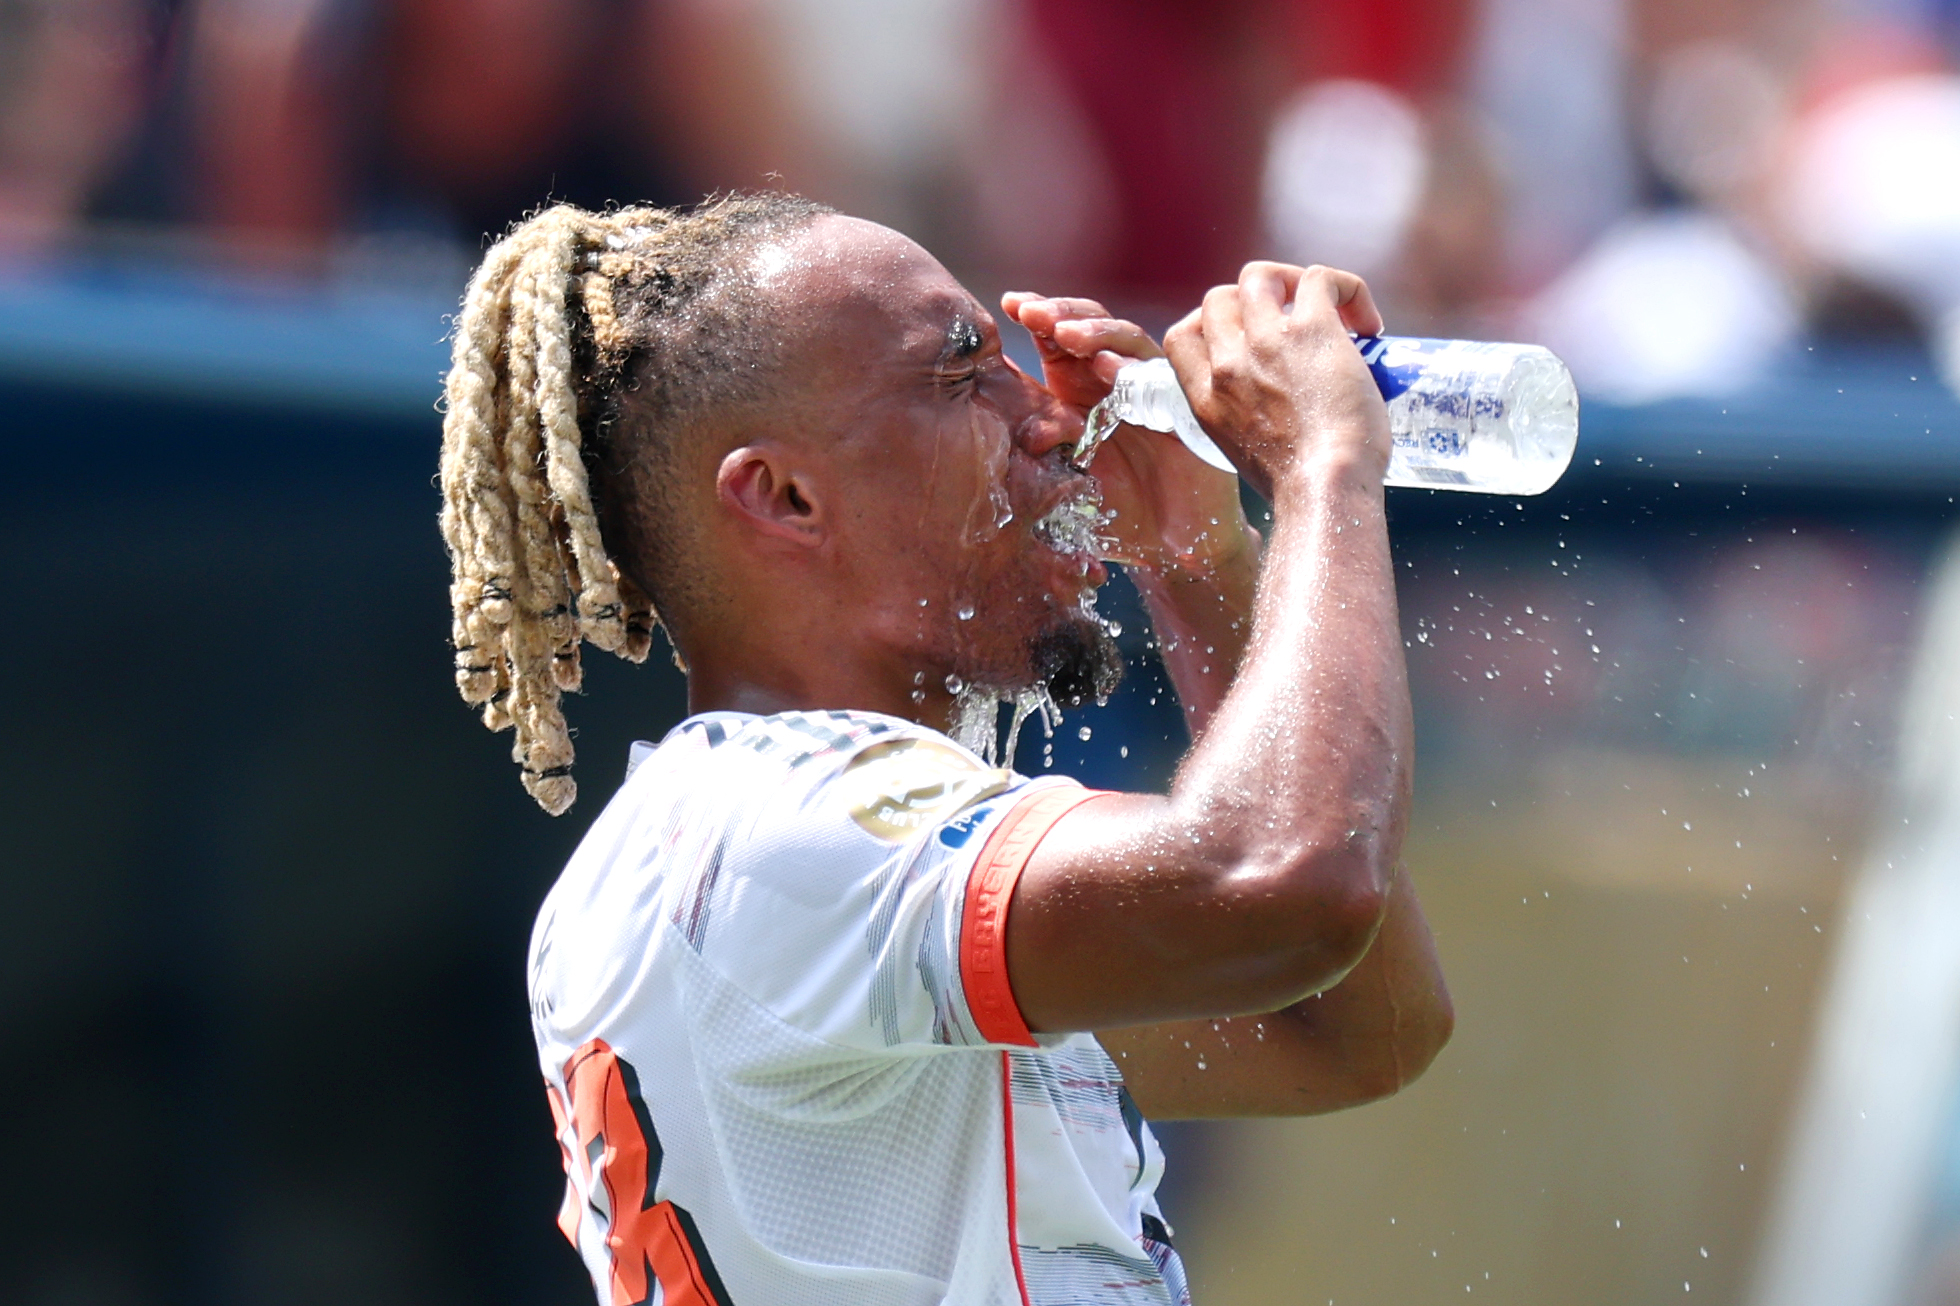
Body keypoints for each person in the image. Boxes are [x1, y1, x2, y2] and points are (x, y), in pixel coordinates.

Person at [437, 193, 1453, 1306]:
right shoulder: (782, 828)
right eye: (965, 371)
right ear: (785, 497)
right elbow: (1289, 885)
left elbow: (1354, 1027)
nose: (1051, 413)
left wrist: (1199, 563)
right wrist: (1322, 467)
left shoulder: (738, 850)